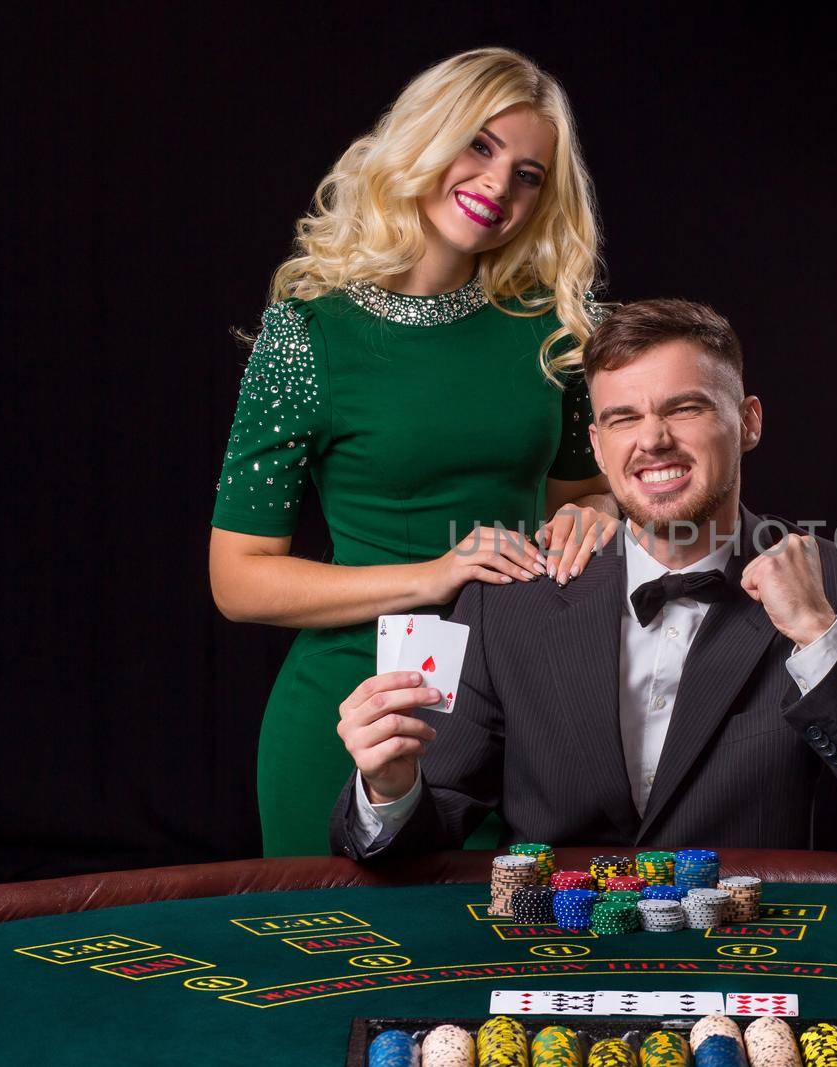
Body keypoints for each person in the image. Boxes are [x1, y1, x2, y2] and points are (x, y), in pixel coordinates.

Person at [329, 299, 837, 873]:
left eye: (684, 408)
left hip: (750, 954)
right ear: (598, 448)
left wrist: (817, 634)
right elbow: (426, 834)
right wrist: (388, 789)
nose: (652, 440)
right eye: (623, 418)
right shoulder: (510, 597)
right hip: (551, 956)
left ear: (748, 422)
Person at [208, 48, 621, 858]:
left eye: (529, 173)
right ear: (423, 139)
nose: (500, 185)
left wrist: (597, 516)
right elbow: (237, 578)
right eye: (479, 145)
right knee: (345, 980)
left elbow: (583, 497)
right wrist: (433, 575)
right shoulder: (307, 333)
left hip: (522, 707)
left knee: (511, 967)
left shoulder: (560, 327)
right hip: (356, 702)